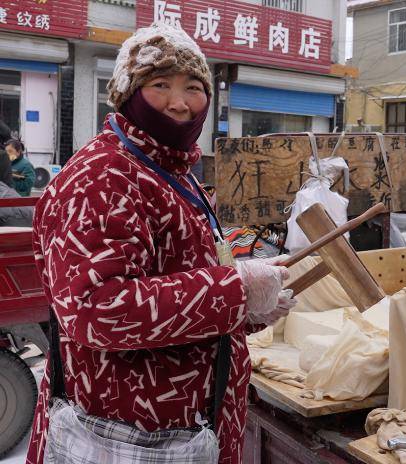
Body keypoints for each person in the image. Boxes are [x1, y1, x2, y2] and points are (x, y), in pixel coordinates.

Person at [28, 23, 296, 464]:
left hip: (182, 433)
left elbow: (175, 284)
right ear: (128, 95)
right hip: (121, 439)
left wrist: (245, 312)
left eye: (193, 86)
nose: (180, 102)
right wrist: (233, 290)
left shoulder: (168, 171)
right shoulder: (104, 176)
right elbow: (96, 309)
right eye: (160, 85)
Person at [0, 149, 33, 226]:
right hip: (10, 195)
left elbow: (29, 181)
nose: (9, 153)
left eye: (11, 151)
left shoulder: (26, 165)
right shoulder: (8, 160)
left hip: (17, 196)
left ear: (18, 151)